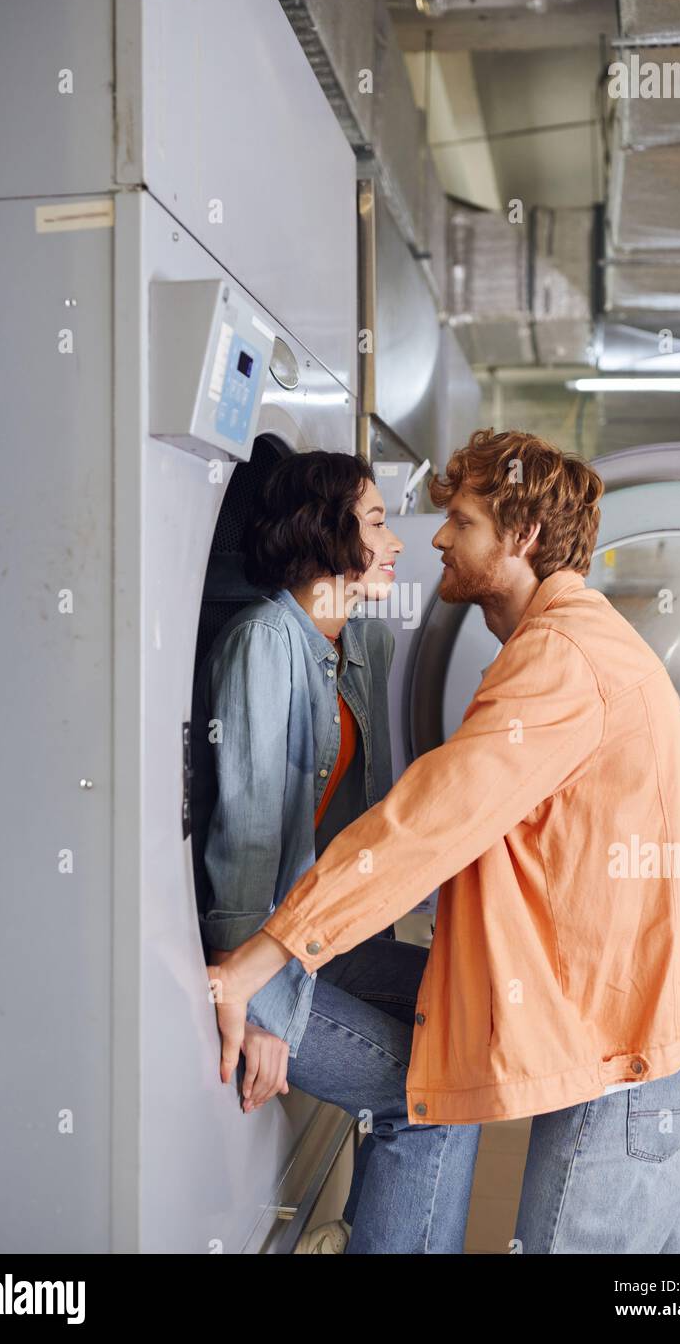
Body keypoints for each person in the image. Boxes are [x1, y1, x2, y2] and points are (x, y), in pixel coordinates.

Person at [207, 427, 680, 1255]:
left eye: (460, 518)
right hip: (639, 1023)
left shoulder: (558, 657)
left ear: (521, 537)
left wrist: (259, 960)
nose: (438, 538)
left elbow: (430, 821)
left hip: (631, 1043)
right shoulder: (553, 643)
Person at [192, 448, 482, 1255]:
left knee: (476, 1010)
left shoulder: (365, 645)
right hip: (247, 952)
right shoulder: (265, 641)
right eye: (380, 521)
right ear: (325, 531)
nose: (401, 543)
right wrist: (266, 1011)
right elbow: (246, 841)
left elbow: (364, 832)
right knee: (427, 1093)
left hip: (317, 943)